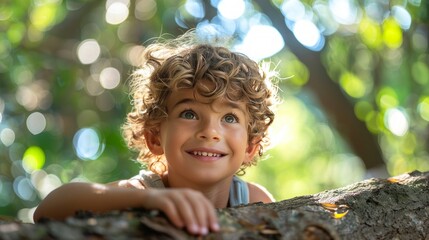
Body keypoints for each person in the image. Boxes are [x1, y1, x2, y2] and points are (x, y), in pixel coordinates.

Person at [33, 30, 279, 236]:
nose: (210, 132)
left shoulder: (254, 199)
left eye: (229, 118)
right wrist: (146, 202)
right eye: (189, 114)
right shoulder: (142, 193)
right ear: (154, 136)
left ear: (251, 146)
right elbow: (48, 209)